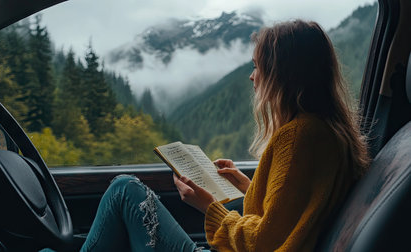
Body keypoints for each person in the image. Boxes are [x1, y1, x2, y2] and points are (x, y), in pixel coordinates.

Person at [78, 20, 369, 252]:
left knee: (123, 190)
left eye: (257, 67)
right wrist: (245, 184)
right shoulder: (328, 131)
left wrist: (208, 207)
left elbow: (264, 243)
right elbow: (293, 213)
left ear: (282, 74)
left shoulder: (298, 138)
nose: (252, 76)